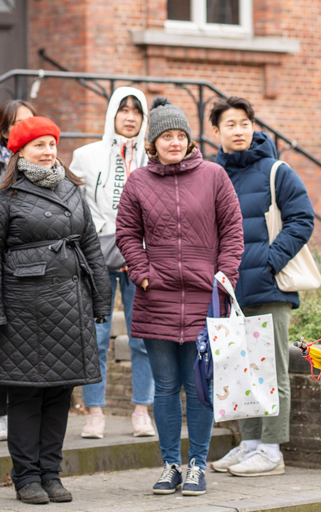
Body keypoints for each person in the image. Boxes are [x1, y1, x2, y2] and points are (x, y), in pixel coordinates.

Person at [0, 116, 112, 505]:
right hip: (23, 307)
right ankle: (26, 477)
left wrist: (101, 298)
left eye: (52, 144)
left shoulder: (71, 189)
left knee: (58, 394)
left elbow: (89, 244)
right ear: (19, 151)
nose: (48, 151)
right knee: (25, 394)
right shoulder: (1, 194)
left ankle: (51, 473)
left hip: (70, 305)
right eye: (39, 145)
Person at [116, 97, 244, 496]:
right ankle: (170, 463)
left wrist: (225, 275)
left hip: (205, 299)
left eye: (180, 135)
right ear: (152, 143)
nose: (174, 142)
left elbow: (233, 230)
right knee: (166, 387)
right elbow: (125, 233)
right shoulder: (138, 181)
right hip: (157, 298)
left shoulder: (214, 176)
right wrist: (142, 272)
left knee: (199, 386)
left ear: (190, 140)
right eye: (165, 136)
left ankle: (197, 465)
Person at [208, 96, 315, 476]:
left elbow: (302, 219)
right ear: (215, 131)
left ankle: (271, 450)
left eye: (244, 123)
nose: (239, 130)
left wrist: (270, 261)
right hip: (228, 290)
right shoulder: (210, 173)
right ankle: (249, 444)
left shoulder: (277, 171)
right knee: (239, 370)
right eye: (230, 124)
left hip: (268, 288)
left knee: (270, 371)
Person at [69, 87, 155, 439]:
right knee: (95, 336)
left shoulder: (155, 157)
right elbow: (74, 204)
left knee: (143, 336)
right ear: (112, 114)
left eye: (137, 110)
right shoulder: (86, 155)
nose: (130, 117)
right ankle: (95, 413)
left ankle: (141, 410)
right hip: (97, 255)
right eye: (124, 109)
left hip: (144, 258)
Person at [0, 99, 37, 442]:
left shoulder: (44, 161)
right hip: (1, 266)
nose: (26, 128)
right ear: (3, 131)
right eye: (18, 123)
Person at [0, 99, 37, 189]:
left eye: (31, 122)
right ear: (4, 132)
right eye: (20, 123)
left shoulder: (46, 159)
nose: (28, 127)